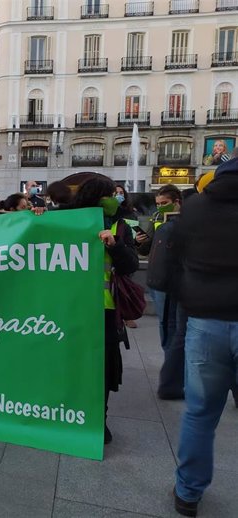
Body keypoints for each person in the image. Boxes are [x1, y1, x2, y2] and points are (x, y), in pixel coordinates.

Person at [172, 153, 238, 517]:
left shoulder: (195, 208)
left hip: (206, 321)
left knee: (199, 414)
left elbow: (176, 252)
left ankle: (188, 494)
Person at [68, 176, 139, 445]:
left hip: (106, 312)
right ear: (96, 196)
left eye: (118, 194)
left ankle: (99, 419)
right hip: (71, 310)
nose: (116, 198)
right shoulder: (68, 219)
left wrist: (115, 245)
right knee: (73, 365)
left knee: (104, 369)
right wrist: (36, 214)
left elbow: (131, 264)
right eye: (111, 193)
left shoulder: (121, 226)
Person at [137, 184, 182, 357]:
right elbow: (145, 249)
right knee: (164, 321)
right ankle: (169, 355)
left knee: (178, 321)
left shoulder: (188, 219)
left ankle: (177, 356)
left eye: (164, 203)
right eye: (158, 203)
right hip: (159, 277)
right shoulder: (156, 218)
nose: (160, 206)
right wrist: (139, 241)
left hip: (179, 278)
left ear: (176, 202)